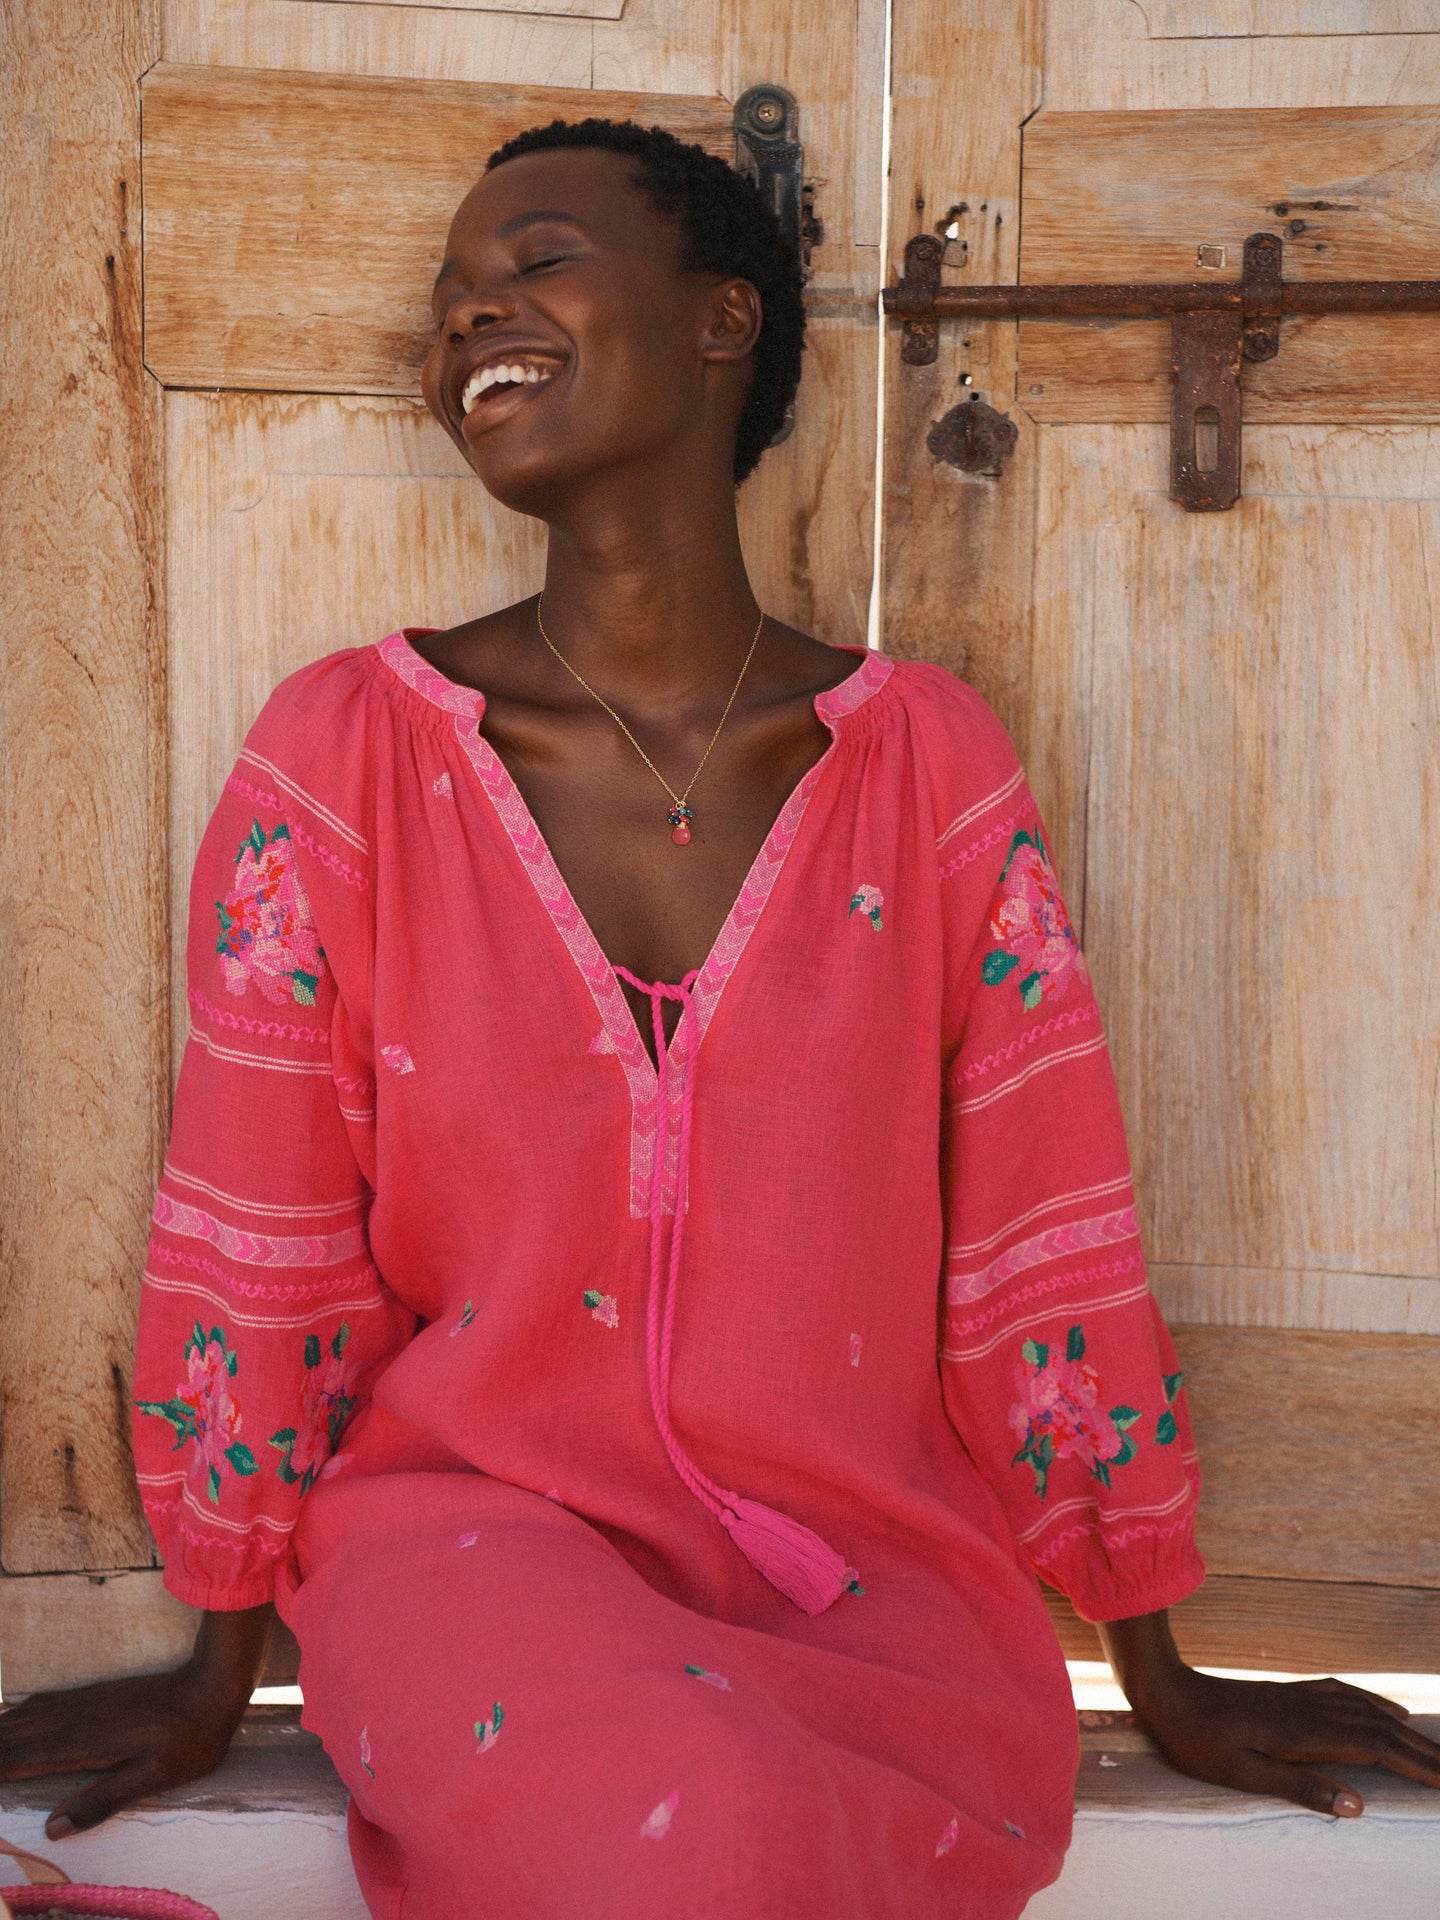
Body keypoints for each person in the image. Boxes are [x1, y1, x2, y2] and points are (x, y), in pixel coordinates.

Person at [3, 118, 1437, 1920]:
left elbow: (1042, 1242)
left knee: (765, 1815)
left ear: (720, 322)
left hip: (876, 1571)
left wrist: (1158, 1671)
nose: (471, 319)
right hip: (473, 1549)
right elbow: (263, 1238)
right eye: (451, 298)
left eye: (534, 263)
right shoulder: (347, 762)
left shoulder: (930, 769)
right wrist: (219, 1666)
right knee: (715, 1821)